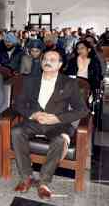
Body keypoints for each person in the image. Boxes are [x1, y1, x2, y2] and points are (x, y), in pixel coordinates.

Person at [11, 50, 88, 200]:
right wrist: (33, 114)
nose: (47, 61)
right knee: (16, 131)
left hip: (57, 125)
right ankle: (26, 177)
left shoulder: (69, 83)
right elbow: (18, 104)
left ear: (60, 65)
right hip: (34, 121)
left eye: (52, 59)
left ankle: (44, 182)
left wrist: (57, 118)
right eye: (45, 58)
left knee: (60, 140)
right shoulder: (30, 80)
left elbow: (82, 110)